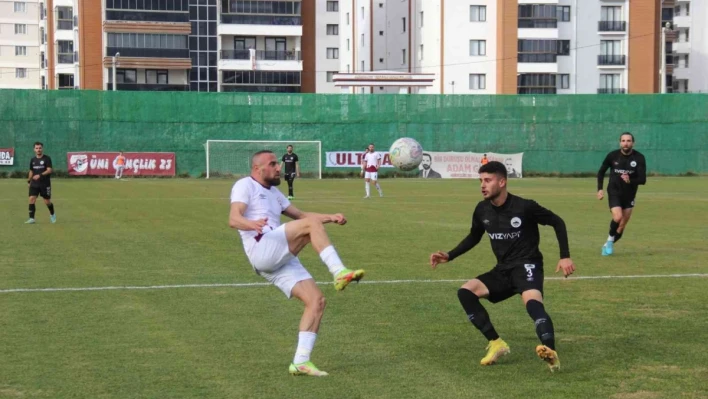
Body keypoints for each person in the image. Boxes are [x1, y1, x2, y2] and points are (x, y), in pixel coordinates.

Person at [429, 161, 576, 372]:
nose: (482, 185)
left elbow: (558, 222)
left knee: (532, 303)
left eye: (487, 180)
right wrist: (450, 255)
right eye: (481, 181)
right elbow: (474, 236)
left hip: (528, 265)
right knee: (466, 292)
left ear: (502, 181)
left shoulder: (525, 207)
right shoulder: (482, 210)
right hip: (503, 269)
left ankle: (550, 352)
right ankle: (497, 343)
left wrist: (565, 257)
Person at [229, 150, 365, 377]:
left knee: (317, 301)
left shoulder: (275, 193)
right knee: (311, 226)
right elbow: (233, 218)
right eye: (272, 164)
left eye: (277, 163)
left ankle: (301, 361)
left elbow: (301, 215)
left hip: (277, 257)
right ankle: (339, 272)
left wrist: (330, 216)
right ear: (257, 169)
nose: (278, 167)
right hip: (262, 247)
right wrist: (251, 224)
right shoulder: (245, 185)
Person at [597, 132, 647, 256]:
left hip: (629, 194)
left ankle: (607, 244)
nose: (626, 143)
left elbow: (642, 180)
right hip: (614, 191)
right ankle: (609, 241)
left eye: (628, 141)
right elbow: (601, 172)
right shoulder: (612, 156)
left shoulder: (639, 158)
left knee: (622, 225)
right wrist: (600, 189)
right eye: (623, 141)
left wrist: (630, 180)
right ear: (620, 142)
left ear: (633, 143)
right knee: (617, 217)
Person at [26, 142, 56, 224]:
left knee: (47, 201)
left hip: (45, 184)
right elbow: (31, 171)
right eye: (37, 148)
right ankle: (32, 218)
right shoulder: (32, 160)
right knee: (31, 199)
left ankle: (52, 214)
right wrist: (29, 181)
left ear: (42, 149)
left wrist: (40, 175)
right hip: (34, 183)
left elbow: (49, 170)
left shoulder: (47, 158)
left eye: (40, 148)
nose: (38, 149)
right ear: (34, 149)